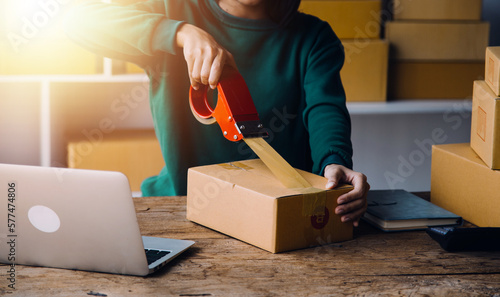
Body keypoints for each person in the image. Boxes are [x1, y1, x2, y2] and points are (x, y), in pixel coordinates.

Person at [65, 0, 369, 226]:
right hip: (180, 206)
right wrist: (181, 33)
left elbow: (324, 108)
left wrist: (334, 161)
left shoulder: (314, 37)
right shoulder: (172, 10)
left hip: (276, 216)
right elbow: (78, 22)